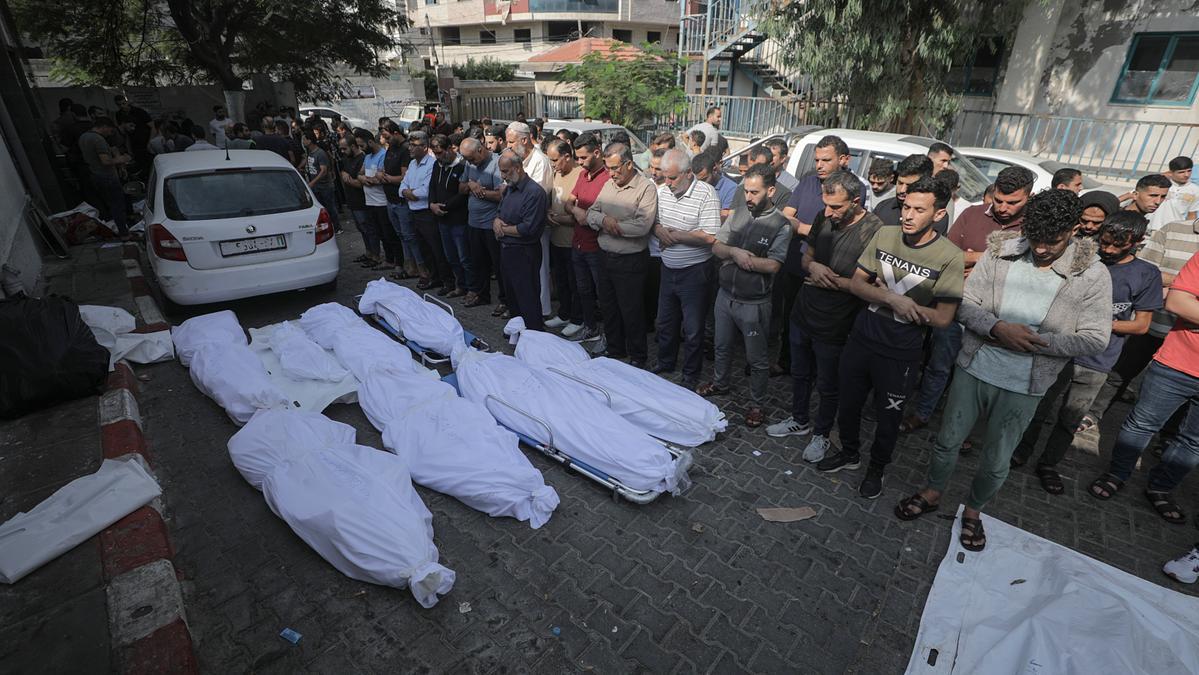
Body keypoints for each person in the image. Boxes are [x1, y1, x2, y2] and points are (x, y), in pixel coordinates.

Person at [895, 189, 1110, 550]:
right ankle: (932, 491)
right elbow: (967, 305)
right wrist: (998, 329)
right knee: (947, 441)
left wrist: (1037, 342)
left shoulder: (1092, 275)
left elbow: (1094, 339)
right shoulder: (1001, 251)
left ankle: (975, 511)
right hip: (974, 367)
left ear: (1074, 230)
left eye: (1052, 242)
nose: (1041, 249)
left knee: (997, 459)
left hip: (1026, 385)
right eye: (1036, 239)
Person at [819, 177, 964, 499]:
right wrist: (891, 299)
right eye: (905, 207)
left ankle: (877, 469)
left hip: (901, 351)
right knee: (849, 405)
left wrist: (904, 304)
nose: (908, 216)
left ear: (938, 215)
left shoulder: (949, 256)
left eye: (918, 210)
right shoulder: (885, 234)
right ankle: (850, 453)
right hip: (862, 338)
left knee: (888, 418)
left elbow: (943, 318)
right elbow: (857, 284)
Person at [1012, 211, 1160, 493]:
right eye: (1104, 242)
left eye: (1119, 246)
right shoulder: (1083, 258)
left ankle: (1049, 464)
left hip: (1097, 359)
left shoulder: (1146, 274)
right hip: (1057, 349)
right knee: (1037, 408)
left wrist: (1095, 324)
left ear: (1138, 242)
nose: (1109, 250)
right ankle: (1020, 452)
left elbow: (1141, 325)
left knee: (1070, 418)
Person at [900, 165, 1034, 435]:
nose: (1004, 207)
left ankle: (965, 430)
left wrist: (974, 258)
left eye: (1013, 202)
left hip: (1000, 316)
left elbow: (1027, 273)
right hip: (956, 306)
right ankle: (924, 412)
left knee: (979, 377)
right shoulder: (972, 214)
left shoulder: (1034, 226)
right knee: (939, 365)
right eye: (998, 200)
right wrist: (985, 258)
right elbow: (944, 255)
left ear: (1028, 197)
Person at [767, 171, 885, 460]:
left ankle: (821, 434)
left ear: (856, 202)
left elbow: (871, 283)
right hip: (805, 309)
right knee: (800, 372)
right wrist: (815, 268)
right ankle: (799, 419)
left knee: (828, 383)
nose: (829, 212)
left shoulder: (875, 231)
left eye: (837, 207)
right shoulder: (823, 216)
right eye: (826, 205)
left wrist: (835, 281)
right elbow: (809, 257)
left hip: (838, 322)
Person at [1090, 247, 1199, 523]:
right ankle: (1117, 473)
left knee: (1193, 441)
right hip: (1177, 363)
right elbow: (1177, 302)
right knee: (1142, 423)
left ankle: (1160, 488)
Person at [1083, 197, 1199, 435]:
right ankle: (1093, 413)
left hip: (1189, 336)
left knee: (1183, 390)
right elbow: (1146, 268)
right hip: (1157, 319)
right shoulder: (1174, 230)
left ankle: (1166, 437)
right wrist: (1186, 285)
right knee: (1120, 373)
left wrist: (1181, 287)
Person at [697, 164, 792, 426]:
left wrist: (733, 256)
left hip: (754, 303)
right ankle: (720, 383)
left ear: (771, 190)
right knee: (722, 346)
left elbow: (773, 265)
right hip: (725, 296)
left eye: (755, 192)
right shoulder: (738, 213)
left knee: (757, 358)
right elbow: (717, 247)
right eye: (746, 191)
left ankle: (757, 404)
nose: (748, 197)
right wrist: (737, 254)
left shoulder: (780, 225)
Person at [775, 136, 866, 374]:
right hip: (797, 262)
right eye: (816, 159)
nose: (819, 165)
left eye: (826, 160)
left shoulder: (854, 188)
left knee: (824, 332)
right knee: (790, 319)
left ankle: (817, 371)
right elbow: (785, 216)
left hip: (829, 273)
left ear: (844, 160)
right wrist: (808, 229)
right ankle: (787, 363)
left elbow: (842, 231)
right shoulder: (806, 182)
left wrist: (802, 228)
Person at [653, 149, 721, 388]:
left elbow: (711, 236)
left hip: (695, 271)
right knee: (665, 321)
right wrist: (660, 231)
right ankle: (666, 361)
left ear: (688, 173)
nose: (667, 183)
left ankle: (691, 373)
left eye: (672, 178)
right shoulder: (662, 192)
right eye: (664, 177)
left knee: (692, 329)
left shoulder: (706, 194)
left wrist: (678, 236)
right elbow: (656, 223)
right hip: (668, 268)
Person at [586, 143, 657, 367]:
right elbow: (591, 214)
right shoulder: (608, 184)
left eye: (615, 168)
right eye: (608, 168)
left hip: (631, 261)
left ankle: (638, 357)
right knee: (608, 307)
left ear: (628, 164)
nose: (611, 173)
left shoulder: (646, 188)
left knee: (631, 310)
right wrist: (606, 222)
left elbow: (642, 226)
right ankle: (615, 350)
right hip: (604, 255)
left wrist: (612, 225)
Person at [506, 121, 555, 321]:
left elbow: (535, 197)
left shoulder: (540, 161)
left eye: (511, 142)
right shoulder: (518, 159)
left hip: (534, 226)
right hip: (517, 227)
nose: (507, 146)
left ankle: (541, 311)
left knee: (539, 271)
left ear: (524, 140)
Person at [494, 149, 548, 330]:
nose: (503, 176)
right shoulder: (510, 188)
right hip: (507, 250)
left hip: (524, 253)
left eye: (506, 171)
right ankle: (518, 331)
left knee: (527, 297)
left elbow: (528, 228)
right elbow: (500, 212)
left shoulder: (534, 192)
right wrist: (496, 221)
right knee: (512, 296)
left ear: (517, 168)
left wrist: (503, 229)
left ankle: (534, 335)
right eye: (501, 171)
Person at [565, 133, 611, 343]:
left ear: (597, 152)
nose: (580, 163)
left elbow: (597, 215)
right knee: (583, 291)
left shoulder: (609, 178)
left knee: (603, 294)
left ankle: (609, 336)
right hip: (578, 243)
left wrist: (582, 213)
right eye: (577, 158)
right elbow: (568, 202)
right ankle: (590, 328)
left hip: (597, 247)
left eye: (583, 158)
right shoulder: (582, 175)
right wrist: (577, 212)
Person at [460, 137, 506, 311]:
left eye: (472, 158)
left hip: (491, 223)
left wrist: (481, 192)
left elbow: (500, 195)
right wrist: (471, 185)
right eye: (467, 159)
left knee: (498, 265)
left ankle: (504, 300)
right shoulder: (469, 163)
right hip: (474, 222)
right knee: (478, 263)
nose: (470, 162)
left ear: (481, 150)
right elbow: (461, 187)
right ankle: (482, 295)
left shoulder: (496, 163)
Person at [401, 131, 450, 291]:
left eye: (414, 145)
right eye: (410, 144)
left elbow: (426, 191)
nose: (410, 148)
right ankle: (433, 277)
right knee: (424, 249)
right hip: (414, 212)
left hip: (427, 213)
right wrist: (408, 192)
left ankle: (445, 279)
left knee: (435, 248)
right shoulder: (412, 164)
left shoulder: (431, 164)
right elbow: (402, 187)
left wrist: (410, 193)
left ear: (424, 147)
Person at [545, 139, 584, 335]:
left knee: (575, 283)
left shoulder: (580, 175)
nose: (552, 165)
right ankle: (564, 313)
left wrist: (558, 217)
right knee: (560, 280)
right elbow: (553, 200)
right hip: (556, 238)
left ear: (567, 157)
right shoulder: (556, 173)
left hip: (573, 242)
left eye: (555, 160)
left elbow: (580, 214)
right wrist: (549, 213)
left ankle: (578, 319)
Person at [429, 134, 471, 297]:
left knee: (464, 257)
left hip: (458, 219)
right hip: (442, 219)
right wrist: (432, 204)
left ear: (449, 149)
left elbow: (463, 194)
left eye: (440, 153)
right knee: (451, 256)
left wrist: (444, 206)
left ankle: (471, 287)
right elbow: (432, 186)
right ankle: (459, 285)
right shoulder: (437, 165)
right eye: (434, 153)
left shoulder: (462, 166)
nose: (438, 157)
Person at [78, 117, 131, 238]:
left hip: (94, 174)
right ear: (104, 126)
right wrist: (122, 159)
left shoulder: (84, 137)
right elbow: (106, 161)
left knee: (109, 204)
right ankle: (124, 233)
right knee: (117, 204)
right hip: (107, 176)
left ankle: (117, 228)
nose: (109, 133)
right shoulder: (98, 139)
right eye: (110, 130)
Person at [383, 130, 424, 280]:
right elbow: (404, 183)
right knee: (402, 236)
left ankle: (420, 268)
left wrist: (388, 179)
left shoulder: (405, 154)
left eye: (387, 136)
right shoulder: (394, 152)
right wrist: (404, 190)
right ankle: (410, 266)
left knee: (410, 236)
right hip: (393, 199)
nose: (410, 148)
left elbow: (405, 180)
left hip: (404, 204)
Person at [358, 130, 400, 271]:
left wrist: (367, 179)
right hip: (370, 201)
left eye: (362, 145)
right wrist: (364, 178)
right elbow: (360, 174)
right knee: (379, 232)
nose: (361, 149)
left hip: (382, 201)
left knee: (388, 233)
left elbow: (380, 178)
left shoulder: (383, 155)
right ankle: (388, 258)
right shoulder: (367, 157)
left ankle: (393, 259)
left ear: (370, 142)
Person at [872, 154, 945, 232]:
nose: (902, 190)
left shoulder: (935, 215)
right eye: (900, 183)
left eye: (909, 185)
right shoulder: (882, 208)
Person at [340, 134, 380, 266]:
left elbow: (359, 182)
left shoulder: (362, 159)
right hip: (352, 201)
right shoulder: (346, 158)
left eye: (345, 149)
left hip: (363, 201)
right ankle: (369, 253)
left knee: (368, 228)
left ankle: (375, 255)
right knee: (361, 228)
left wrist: (349, 179)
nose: (343, 152)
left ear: (352, 146)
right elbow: (344, 174)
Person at [302, 130, 342, 234]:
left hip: (325, 186)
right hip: (316, 187)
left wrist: (312, 182)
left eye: (304, 139)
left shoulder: (320, 153)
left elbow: (323, 171)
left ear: (310, 140)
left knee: (330, 208)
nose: (303, 141)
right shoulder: (310, 153)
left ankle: (337, 227)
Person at [1150, 156, 1199, 231]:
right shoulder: (1159, 184)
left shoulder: (1195, 190)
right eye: (1181, 172)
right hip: (1150, 229)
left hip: (1173, 232)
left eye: (1189, 171)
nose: (1186, 175)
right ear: (1170, 172)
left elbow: (1192, 215)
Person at [693, 149, 737, 220]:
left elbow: (724, 218)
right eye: (697, 180)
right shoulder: (694, 183)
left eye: (704, 179)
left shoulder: (731, 188)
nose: (700, 184)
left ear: (714, 170)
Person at [113, 95, 152, 172]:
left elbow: (152, 126)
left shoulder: (139, 111)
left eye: (123, 103)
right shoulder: (119, 114)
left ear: (127, 102)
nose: (122, 106)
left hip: (145, 140)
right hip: (132, 142)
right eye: (119, 105)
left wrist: (150, 142)